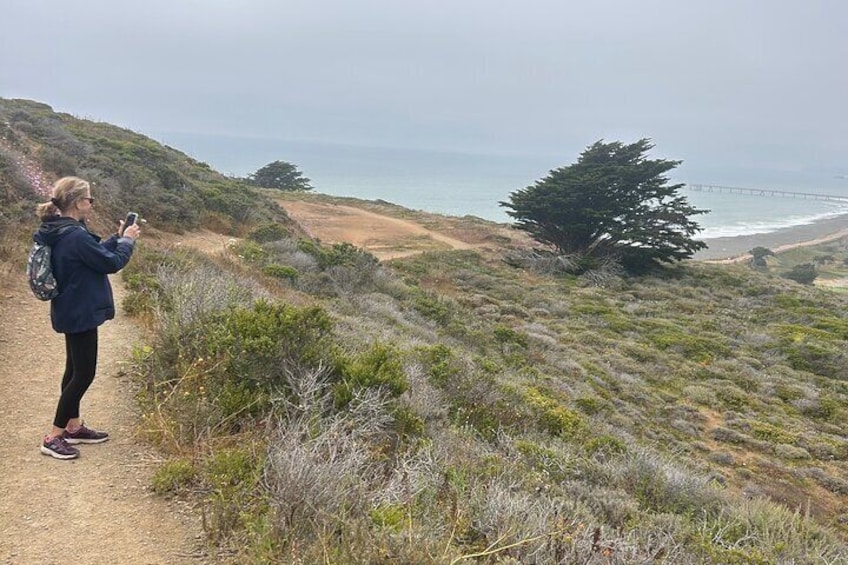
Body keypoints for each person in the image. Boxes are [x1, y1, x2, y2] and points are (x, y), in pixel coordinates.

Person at [33, 177, 141, 460]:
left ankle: (73, 426)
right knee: (83, 374)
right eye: (90, 199)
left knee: (73, 370)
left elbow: (95, 254)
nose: (91, 204)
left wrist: (117, 238)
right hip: (80, 310)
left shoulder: (62, 229)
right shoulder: (75, 235)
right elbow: (111, 263)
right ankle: (54, 436)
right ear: (79, 202)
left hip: (70, 307)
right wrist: (128, 241)